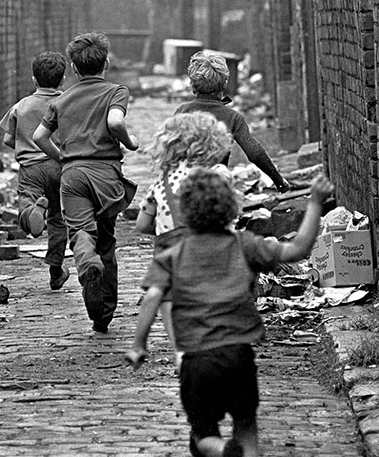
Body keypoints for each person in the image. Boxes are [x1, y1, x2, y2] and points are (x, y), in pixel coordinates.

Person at [126, 168, 334, 457]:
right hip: (238, 356)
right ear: (230, 208)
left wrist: (138, 344)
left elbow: (152, 297)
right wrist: (315, 202)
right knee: (246, 425)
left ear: (185, 213)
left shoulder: (172, 255)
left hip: (197, 361)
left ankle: (223, 450)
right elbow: (298, 249)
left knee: (203, 435)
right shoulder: (244, 245)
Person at [33, 32, 139, 333]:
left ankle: (85, 260)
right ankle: (103, 314)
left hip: (73, 175)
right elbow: (116, 122)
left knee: (81, 232)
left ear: (74, 68)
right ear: (106, 63)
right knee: (106, 240)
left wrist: (63, 157)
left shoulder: (62, 99)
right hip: (105, 173)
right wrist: (130, 143)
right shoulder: (116, 92)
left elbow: (40, 137)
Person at [136, 111, 233, 366]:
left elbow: (142, 223)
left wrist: (162, 227)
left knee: (168, 298)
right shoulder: (215, 174)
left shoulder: (161, 181)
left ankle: (180, 350)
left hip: (169, 245)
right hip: (205, 242)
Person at [0, 51, 69, 291]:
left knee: (26, 201)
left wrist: (25, 144)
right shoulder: (66, 102)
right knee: (59, 220)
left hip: (31, 167)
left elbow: (9, 139)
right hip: (60, 166)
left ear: (33, 79)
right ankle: (56, 271)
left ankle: (31, 214)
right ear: (62, 80)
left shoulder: (22, 106)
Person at [175, 50, 289, 193]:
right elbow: (255, 153)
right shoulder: (233, 117)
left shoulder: (182, 112)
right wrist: (279, 181)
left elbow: (170, 152)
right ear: (224, 84)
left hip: (184, 187)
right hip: (217, 190)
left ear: (192, 85)